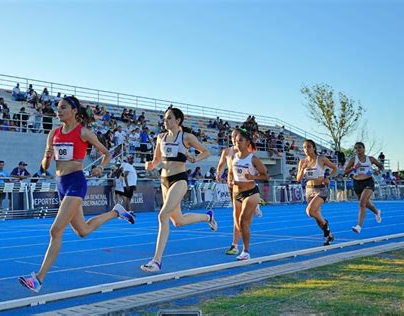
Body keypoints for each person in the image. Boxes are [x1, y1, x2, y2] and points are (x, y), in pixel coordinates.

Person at [18, 96, 135, 293]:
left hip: (76, 183)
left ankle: (38, 279)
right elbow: (45, 166)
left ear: (74, 110)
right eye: (57, 108)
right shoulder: (53, 133)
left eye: (63, 107)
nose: (59, 110)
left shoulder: (84, 132)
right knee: (82, 231)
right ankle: (116, 212)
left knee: (55, 231)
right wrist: (46, 157)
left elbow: (107, 153)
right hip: (60, 184)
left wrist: (100, 167)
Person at [141, 106, 215, 272]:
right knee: (178, 221)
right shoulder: (160, 137)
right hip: (164, 180)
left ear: (178, 120)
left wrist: (195, 158)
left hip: (179, 180)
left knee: (163, 215)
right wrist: (150, 165)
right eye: (165, 118)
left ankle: (156, 261)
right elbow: (156, 160)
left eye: (168, 118)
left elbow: (206, 152)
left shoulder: (186, 137)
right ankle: (207, 217)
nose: (165, 121)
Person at [228, 129, 269, 260]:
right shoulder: (234, 158)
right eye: (235, 141)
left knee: (243, 221)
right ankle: (239, 246)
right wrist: (230, 181)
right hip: (237, 193)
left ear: (247, 143)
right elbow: (230, 172)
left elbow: (265, 175)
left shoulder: (253, 158)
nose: (237, 143)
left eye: (240, 140)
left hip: (251, 193)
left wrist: (252, 176)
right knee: (238, 223)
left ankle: (246, 251)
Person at [297, 140, 337, 245]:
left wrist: (328, 178)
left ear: (314, 148)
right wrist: (302, 169)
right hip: (309, 189)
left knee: (309, 211)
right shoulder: (302, 162)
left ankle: (326, 225)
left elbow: (334, 168)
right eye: (304, 147)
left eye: (309, 147)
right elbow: (298, 179)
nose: (306, 149)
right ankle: (329, 235)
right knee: (316, 215)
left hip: (321, 189)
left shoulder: (321, 159)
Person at [344, 142, 384, 234]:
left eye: (359, 147)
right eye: (356, 148)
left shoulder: (370, 159)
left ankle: (358, 226)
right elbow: (345, 172)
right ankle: (377, 211)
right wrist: (354, 167)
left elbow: (381, 166)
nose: (358, 149)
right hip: (357, 183)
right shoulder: (353, 160)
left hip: (368, 182)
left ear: (364, 148)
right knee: (365, 203)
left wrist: (378, 171)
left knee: (362, 203)